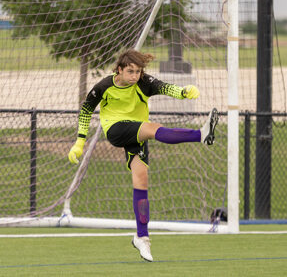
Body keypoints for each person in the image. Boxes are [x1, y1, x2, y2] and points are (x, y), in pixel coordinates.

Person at [67, 49, 219, 262]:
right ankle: (201, 135)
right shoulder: (103, 86)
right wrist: (79, 142)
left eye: (138, 72)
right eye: (130, 71)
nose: (135, 76)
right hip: (116, 129)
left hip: (136, 132)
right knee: (151, 128)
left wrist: (183, 92)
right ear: (119, 70)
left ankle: (142, 236)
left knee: (141, 180)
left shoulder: (143, 82)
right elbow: (86, 110)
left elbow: (165, 87)